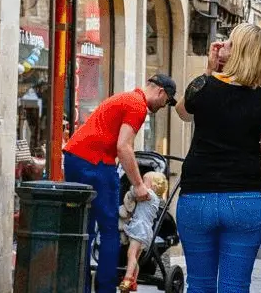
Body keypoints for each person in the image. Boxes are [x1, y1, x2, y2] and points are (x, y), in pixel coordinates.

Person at [174, 23, 261, 293]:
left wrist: (209, 72)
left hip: (197, 197)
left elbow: (183, 113)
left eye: (229, 42)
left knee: (198, 285)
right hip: (246, 201)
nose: (222, 45)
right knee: (235, 287)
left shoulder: (202, 87)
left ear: (238, 53)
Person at [63, 73, 177, 293]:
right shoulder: (138, 105)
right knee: (109, 230)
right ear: (161, 92)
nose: (165, 106)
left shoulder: (126, 98)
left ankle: (78, 287)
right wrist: (139, 185)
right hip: (96, 162)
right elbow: (123, 147)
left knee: (83, 228)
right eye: (167, 101)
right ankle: (106, 288)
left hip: (74, 156)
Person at [120, 170, 170, 291]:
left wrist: (135, 185)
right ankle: (133, 281)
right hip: (144, 231)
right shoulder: (156, 199)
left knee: (131, 254)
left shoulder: (149, 195)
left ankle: (127, 279)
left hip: (139, 229)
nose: (141, 183)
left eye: (144, 181)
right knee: (135, 258)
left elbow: (135, 191)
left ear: (153, 186)